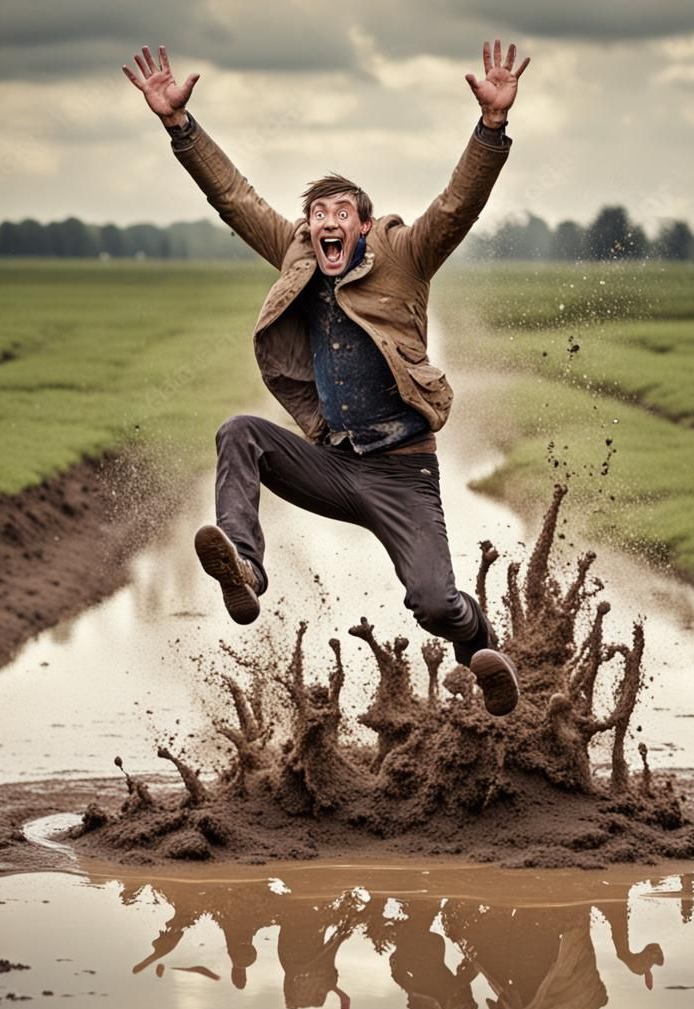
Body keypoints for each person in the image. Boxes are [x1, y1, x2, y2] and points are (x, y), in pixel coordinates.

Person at [122, 40, 530, 715]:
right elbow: (233, 196)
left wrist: (491, 128)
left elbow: (458, 205)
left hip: (402, 472)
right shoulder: (299, 257)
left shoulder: (407, 254)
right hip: (334, 464)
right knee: (240, 434)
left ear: (365, 226)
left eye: (342, 212)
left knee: (433, 601)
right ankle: (246, 569)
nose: (327, 222)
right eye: (317, 214)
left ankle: (481, 653)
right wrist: (179, 127)